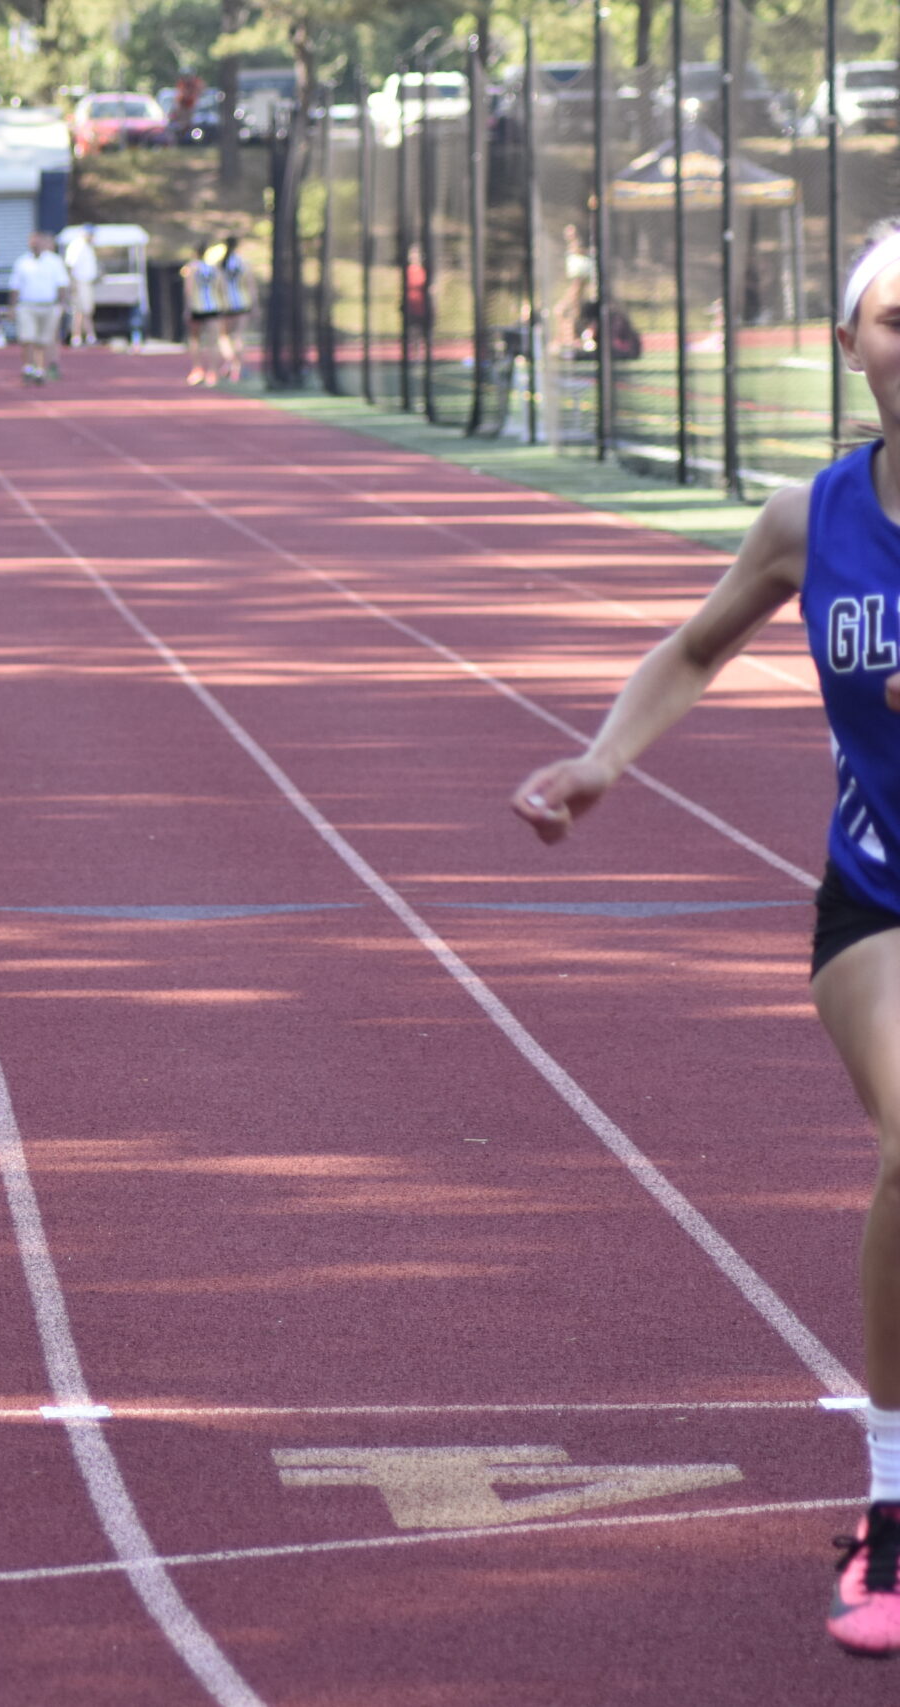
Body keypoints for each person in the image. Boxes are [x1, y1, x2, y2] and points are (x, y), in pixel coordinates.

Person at [508, 220, 900, 1659]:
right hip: (881, 897)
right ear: (850, 343)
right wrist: (605, 760)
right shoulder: (814, 518)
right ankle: (894, 1502)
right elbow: (692, 646)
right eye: (894, 322)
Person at [10, 229, 70, 385]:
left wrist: (62, 304)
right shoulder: (22, 262)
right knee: (27, 338)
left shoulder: (54, 261)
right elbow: (15, 286)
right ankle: (27, 367)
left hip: (48, 305)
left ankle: (40, 369)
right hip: (27, 305)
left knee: (43, 340)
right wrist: (12, 307)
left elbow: (62, 284)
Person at [182, 243, 225, 385]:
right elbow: (220, 288)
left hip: (197, 308)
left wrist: (187, 308)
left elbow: (188, 289)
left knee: (195, 340)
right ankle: (213, 372)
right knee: (213, 341)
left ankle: (197, 370)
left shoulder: (191, 268)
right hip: (213, 307)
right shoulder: (214, 269)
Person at [216, 234, 253, 382]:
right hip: (242, 303)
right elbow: (250, 285)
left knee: (224, 337)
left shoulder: (221, 263)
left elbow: (217, 286)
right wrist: (254, 304)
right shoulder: (243, 263)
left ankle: (230, 362)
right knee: (239, 336)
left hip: (226, 304)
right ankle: (237, 367)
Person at [63, 225, 101, 346]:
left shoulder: (88, 247)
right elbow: (70, 265)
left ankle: (87, 336)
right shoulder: (77, 246)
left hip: (86, 283)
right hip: (79, 282)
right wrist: (73, 284)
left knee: (85, 310)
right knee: (81, 310)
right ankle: (79, 337)